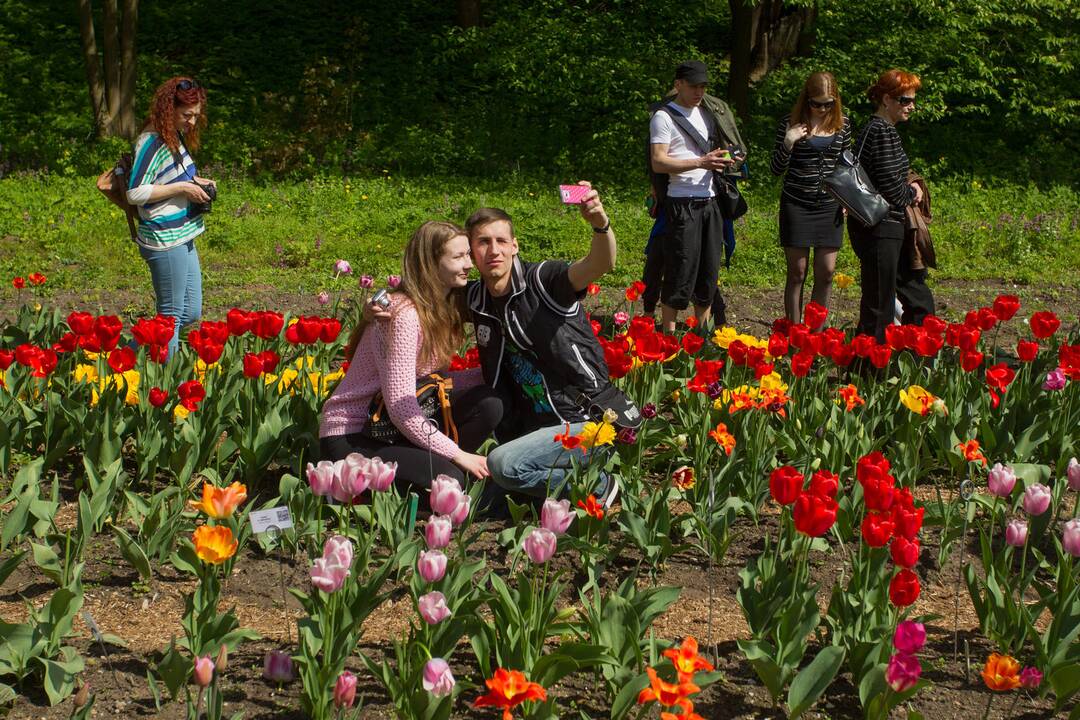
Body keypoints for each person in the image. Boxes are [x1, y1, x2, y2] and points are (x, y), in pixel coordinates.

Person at [465, 183, 637, 504]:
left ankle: (599, 486)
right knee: (483, 496)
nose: (494, 250)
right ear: (471, 251)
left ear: (515, 246)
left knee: (502, 465)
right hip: (534, 430)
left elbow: (599, 265)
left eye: (501, 241)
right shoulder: (476, 298)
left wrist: (600, 224)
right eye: (483, 242)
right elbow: (426, 297)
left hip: (586, 421)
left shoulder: (543, 282)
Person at [320, 221, 504, 497]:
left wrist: (494, 374)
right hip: (355, 435)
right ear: (430, 264)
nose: (469, 264)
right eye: (458, 257)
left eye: (468, 254)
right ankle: (351, 486)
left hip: (392, 429)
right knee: (451, 482)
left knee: (489, 403)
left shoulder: (441, 308)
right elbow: (401, 407)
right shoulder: (403, 315)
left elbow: (428, 383)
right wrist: (459, 455)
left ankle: (429, 465)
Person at [647, 60, 740, 332]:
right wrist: (701, 162)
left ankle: (702, 337)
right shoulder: (663, 117)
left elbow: (711, 156)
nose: (699, 92)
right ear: (678, 85)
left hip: (710, 202)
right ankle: (668, 336)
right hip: (681, 203)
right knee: (679, 271)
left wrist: (728, 159)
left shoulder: (707, 114)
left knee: (708, 272)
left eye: (703, 86)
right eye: (693, 86)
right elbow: (658, 161)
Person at [125, 77, 215, 358]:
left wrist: (197, 181)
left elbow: (174, 174)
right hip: (164, 239)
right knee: (171, 318)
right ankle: (168, 383)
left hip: (184, 232)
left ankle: (127, 354)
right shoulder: (151, 142)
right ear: (169, 109)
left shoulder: (173, 135)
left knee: (191, 311)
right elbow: (135, 193)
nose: (191, 122)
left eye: (196, 116)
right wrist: (184, 188)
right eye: (186, 115)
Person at [849, 69, 935, 342]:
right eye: (905, 100)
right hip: (881, 227)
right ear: (886, 100)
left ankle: (904, 356)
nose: (912, 106)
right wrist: (913, 192)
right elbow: (891, 188)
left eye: (912, 100)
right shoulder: (881, 131)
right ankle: (869, 369)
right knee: (879, 305)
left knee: (905, 294)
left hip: (880, 227)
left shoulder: (876, 130)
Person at [770, 71, 852, 323]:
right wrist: (788, 142)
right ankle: (794, 330)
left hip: (829, 207)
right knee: (797, 271)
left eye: (828, 104)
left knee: (826, 272)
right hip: (797, 204)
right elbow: (775, 169)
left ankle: (815, 333)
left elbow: (846, 165)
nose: (822, 109)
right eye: (817, 103)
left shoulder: (843, 125)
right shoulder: (791, 123)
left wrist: (847, 198)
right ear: (807, 100)